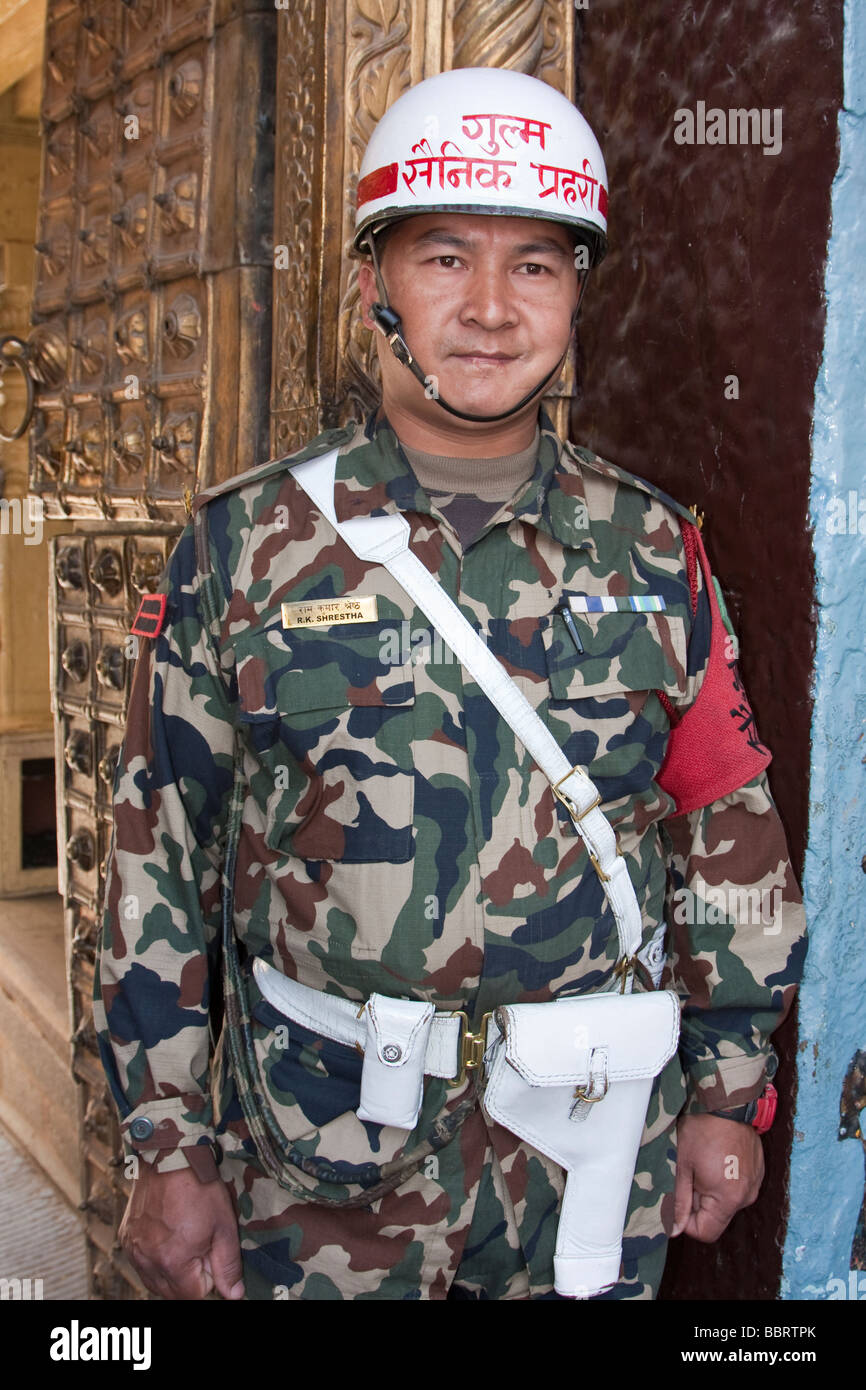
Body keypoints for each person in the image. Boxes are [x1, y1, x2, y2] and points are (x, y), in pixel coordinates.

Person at [94, 67, 806, 1302]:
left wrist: (730, 1089)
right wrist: (164, 1143)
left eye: (533, 264)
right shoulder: (243, 545)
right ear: (373, 280)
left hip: (587, 1159)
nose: (488, 307)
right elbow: (158, 851)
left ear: (576, 290)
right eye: (442, 257)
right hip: (320, 1167)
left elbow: (723, 826)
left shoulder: (652, 549)